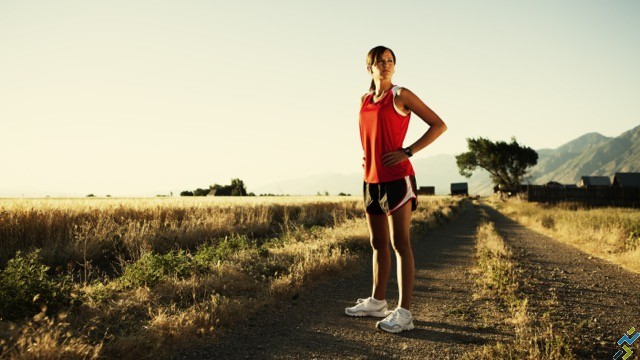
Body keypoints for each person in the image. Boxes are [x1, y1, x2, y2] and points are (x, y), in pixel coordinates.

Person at [345, 45, 447, 333]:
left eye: (390, 61)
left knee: (400, 244)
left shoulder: (400, 95)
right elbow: (369, 136)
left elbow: (438, 125)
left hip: (398, 178)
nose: (386, 66)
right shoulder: (364, 99)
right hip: (371, 179)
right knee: (377, 244)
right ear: (370, 68)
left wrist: (408, 151)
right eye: (380, 62)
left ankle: (404, 312)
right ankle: (377, 302)